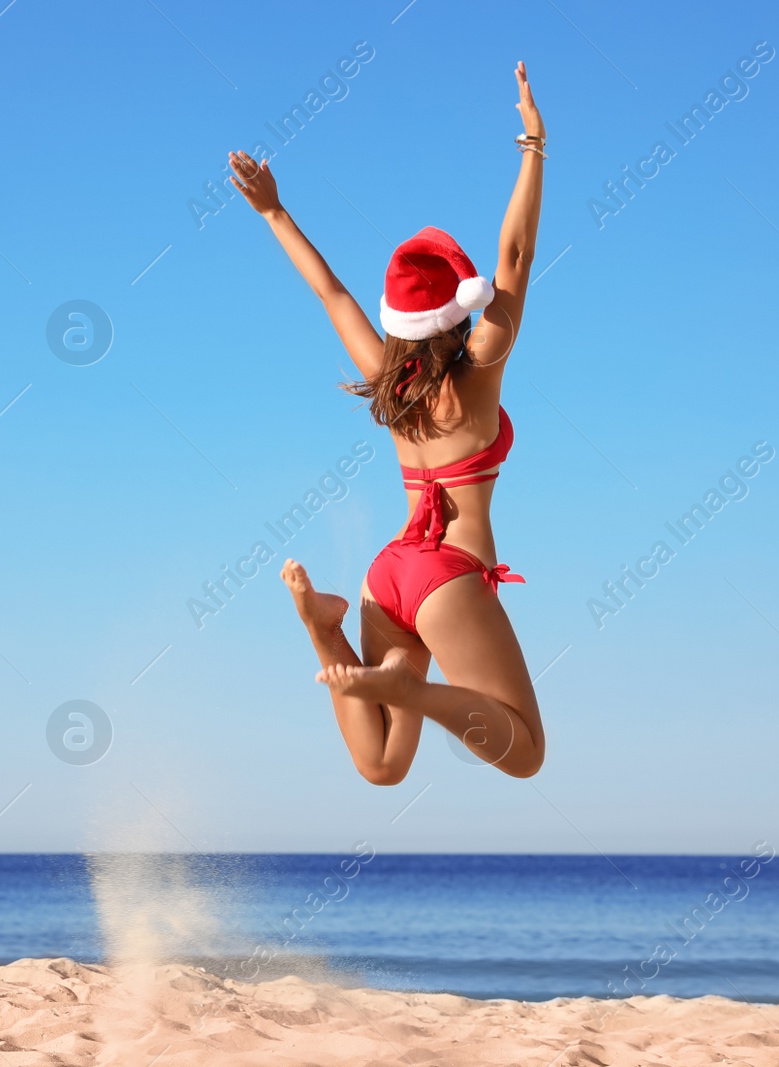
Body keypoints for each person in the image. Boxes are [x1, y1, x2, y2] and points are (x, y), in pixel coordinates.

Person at [227, 61, 547, 784]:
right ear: (455, 310)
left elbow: (332, 293)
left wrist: (275, 211)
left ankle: (323, 628)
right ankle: (415, 692)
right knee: (525, 751)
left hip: (388, 575)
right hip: (447, 576)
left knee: (381, 764)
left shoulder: (388, 381)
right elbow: (516, 257)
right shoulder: (478, 371)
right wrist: (533, 148)